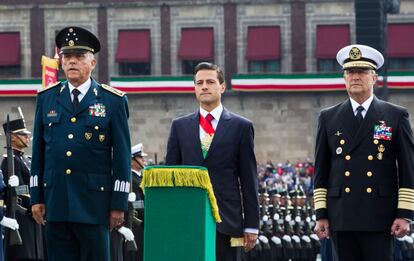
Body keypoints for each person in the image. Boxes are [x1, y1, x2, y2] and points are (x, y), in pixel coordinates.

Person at [29, 26, 131, 261]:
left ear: (92, 63)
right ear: (61, 62)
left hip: (94, 204)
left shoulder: (112, 100)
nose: (72, 62)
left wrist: (118, 203)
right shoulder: (46, 98)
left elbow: (122, 157)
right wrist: (37, 197)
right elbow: (38, 154)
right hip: (56, 203)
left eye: (79, 57)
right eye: (67, 57)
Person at [313, 44, 414, 261]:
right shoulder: (328, 117)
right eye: (350, 72)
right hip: (343, 215)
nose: (355, 77)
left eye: (362, 72)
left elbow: (408, 168)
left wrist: (405, 214)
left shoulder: (395, 115)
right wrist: (321, 215)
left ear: (374, 77)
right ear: (344, 78)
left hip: (379, 215)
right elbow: (321, 170)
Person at [165, 62, 259, 261]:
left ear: (222, 87)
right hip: (189, 219)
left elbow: (249, 180)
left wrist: (252, 225)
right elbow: (170, 176)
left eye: (210, 81)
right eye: (199, 83)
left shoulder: (241, 127)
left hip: (227, 220)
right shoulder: (179, 126)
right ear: (194, 88)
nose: (204, 86)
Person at [1, 114, 46, 260]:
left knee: (37, 255)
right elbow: (18, 191)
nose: (27, 137)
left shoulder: (27, 160)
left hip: (33, 215)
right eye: (23, 134)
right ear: (12, 137)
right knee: (24, 255)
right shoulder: (10, 160)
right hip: (21, 215)